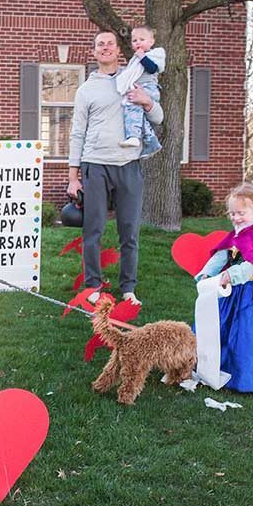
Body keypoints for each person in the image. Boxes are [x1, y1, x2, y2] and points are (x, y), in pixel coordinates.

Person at [67, 31, 165, 307]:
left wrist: (146, 101)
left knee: (129, 231)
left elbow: (158, 117)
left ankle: (128, 288)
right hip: (95, 164)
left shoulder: (135, 77)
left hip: (128, 165)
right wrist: (73, 177)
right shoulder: (86, 90)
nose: (106, 47)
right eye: (100, 44)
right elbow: (77, 133)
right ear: (95, 52)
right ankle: (93, 285)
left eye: (110, 43)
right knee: (93, 230)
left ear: (118, 50)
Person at [194, 182, 253, 393]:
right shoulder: (238, 231)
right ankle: (222, 364)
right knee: (225, 325)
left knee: (249, 329)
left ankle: (248, 374)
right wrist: (207, 273)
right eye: (232, 213)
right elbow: (222, 254)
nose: (235, 218)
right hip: (234, 289)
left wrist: (230, 274)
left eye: (240, 213)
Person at [115, 25, 165, 158]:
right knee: (137, 114)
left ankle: (134, 136)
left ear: (151, 42)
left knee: (132, 108)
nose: (138, 43)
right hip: (140, 88)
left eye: (141, 39)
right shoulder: (135, 59)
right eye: (134, 40)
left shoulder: (154, 55)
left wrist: (142, 57)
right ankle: (150, 141)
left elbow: (153, 69)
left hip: (148, 88)